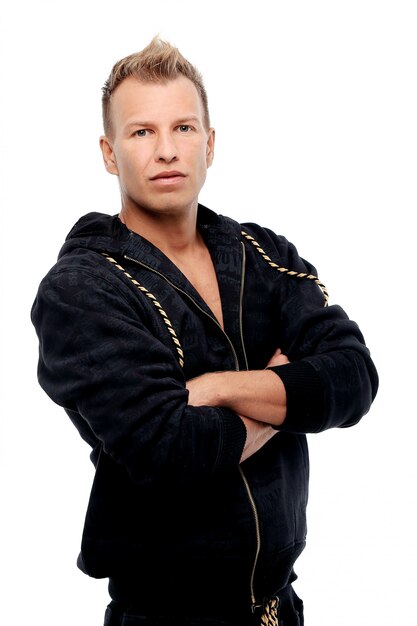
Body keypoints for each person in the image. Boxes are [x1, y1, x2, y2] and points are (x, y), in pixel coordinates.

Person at [31, 37, 378, 626]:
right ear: (109, 153)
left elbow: (353, 378)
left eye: (184, 128)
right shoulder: (82, 290)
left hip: (279, 608)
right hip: (166, 615)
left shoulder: (263, 255)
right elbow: (171, 451)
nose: (167, 150)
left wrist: (218, 387)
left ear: (210, 143)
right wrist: (286, 388)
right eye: (141, 132)